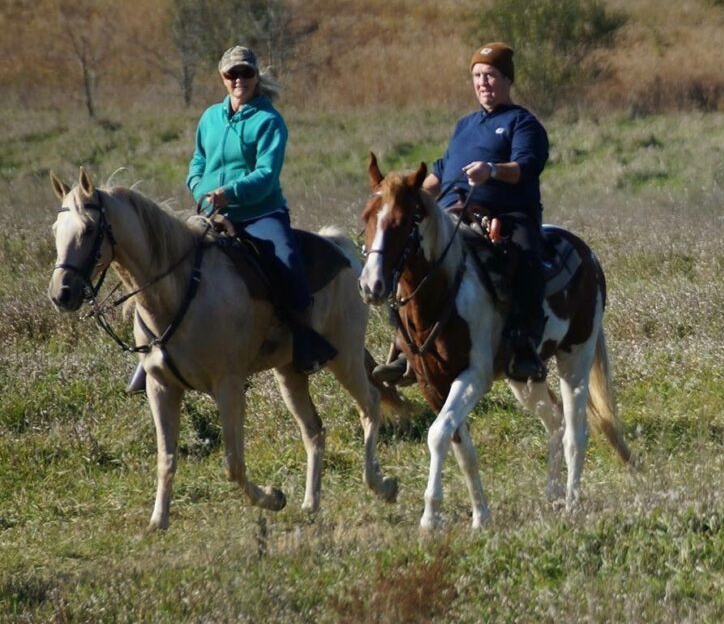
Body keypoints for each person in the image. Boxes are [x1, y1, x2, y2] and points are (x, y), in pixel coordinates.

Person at [127, 45, 335, 393]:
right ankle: (149, 354)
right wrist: (199, 188)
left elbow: (267, 174)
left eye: (245, 73)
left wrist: (229, 193)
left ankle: (304, 340)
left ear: (256, 76)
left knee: (288, 265)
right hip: (210, 212)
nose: (239, 80)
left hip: (260, 214)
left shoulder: (269, 121)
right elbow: (198, 162)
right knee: (164, 266)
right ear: (222, 78)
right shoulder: (210, 118)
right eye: (231, 74)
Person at [373, 41, 549, 386]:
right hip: (452, 215)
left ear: (507, 80)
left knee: (527, 258)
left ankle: (525, 347)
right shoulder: (464, 125)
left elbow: (525, 167)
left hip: (507, 215)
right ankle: (403, 350)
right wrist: (403, 199)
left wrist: (492, 171)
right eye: (477, 75)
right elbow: (440, 174)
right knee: (408, 259)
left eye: (491, 75)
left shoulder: (523, 123)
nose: (483, 82)